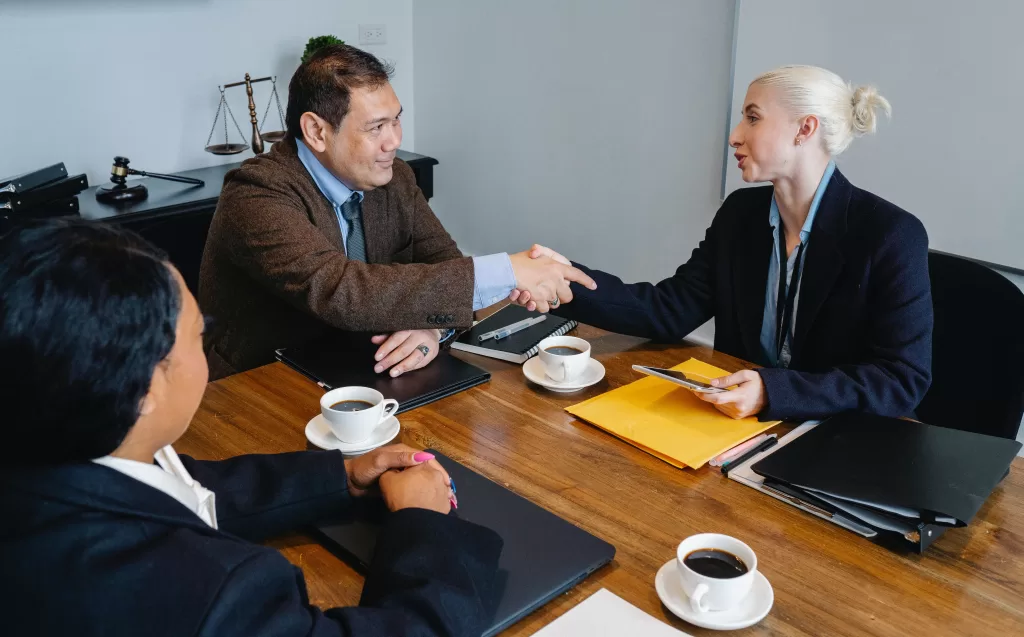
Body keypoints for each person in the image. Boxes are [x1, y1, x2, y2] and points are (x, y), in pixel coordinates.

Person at [0, 219, 502, 636]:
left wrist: (341, 477)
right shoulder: (213, 591)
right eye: (198, 336)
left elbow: (183, 486)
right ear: (144, 389)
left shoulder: (45, 450)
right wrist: (422, 522)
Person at [513, 66, 933, 422]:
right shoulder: (741, 215)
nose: (734, 136)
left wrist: (773, 392)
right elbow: (667, 310)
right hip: (728, 431)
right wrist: (564, 279)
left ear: (805, 129)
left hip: (832, 444)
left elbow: (901, 379)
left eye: (753, 118)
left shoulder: (890, 235)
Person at [200, 44, 594, 380]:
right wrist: (507, 270)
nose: (394, 140)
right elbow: (340, 290)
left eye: (396, 119)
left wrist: (430, 333)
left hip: (368, 371)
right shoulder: (256, 193)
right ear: (317, 131)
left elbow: (445, 265)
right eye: (375, 128)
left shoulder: (396, 177)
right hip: (258, 389)